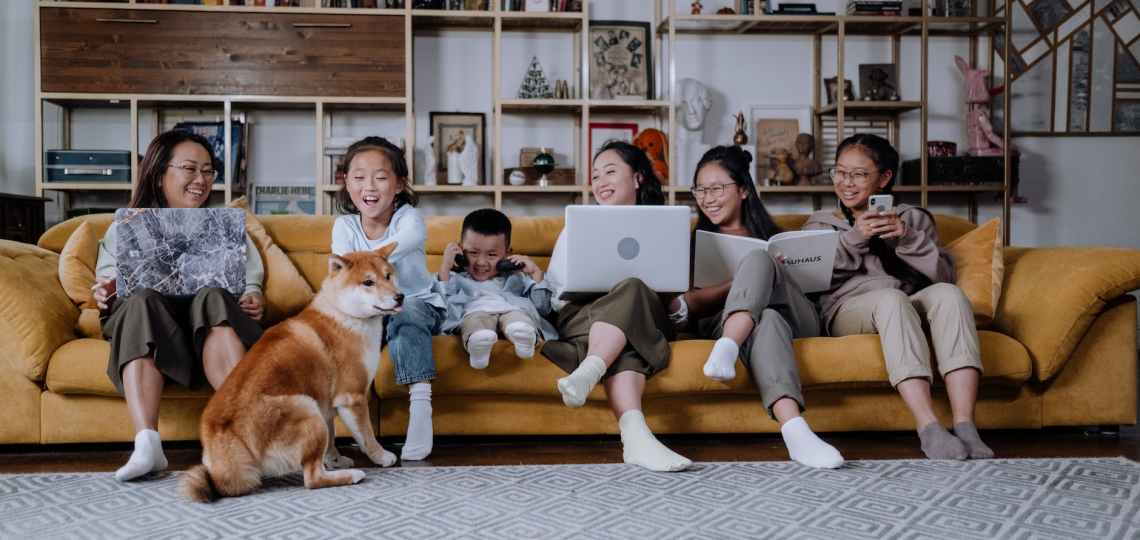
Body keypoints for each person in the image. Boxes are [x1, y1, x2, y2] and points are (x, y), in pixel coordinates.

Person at [803, 134, 993, 460]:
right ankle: (929, 426)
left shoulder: (912, 218)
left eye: (859, 174)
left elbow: (944, 276)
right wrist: (854, 238)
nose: (846, 183)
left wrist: (906, 238)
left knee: (949, 295)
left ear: (884, 178)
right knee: (890, 298)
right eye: (840, 172)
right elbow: (810, 282)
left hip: (908, 302)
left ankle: (965, 425)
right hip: (848, 310)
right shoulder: (819, 224)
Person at [93, 130, 266, 482]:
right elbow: (110, 279)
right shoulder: (126, 226)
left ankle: (245, 436)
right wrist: (108, 290)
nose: (200, 180)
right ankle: (147, 445)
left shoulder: (224, 226)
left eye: (207, 171)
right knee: (139, 300)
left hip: (211, 328)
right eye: (189, 169)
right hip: (156, 329)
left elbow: (249, 276)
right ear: (159, 174)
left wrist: (253, 294)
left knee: (214, 295)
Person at [675, 145, 843, 469]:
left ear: (742, 190)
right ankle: (796, 432)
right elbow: (686, 305)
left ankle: (729, 345)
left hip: (799, 317)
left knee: (760, 259)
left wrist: (773, 271)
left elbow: (815, 293)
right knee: (766, 318)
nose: (707, 197)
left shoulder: (776, 237)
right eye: (700, 189)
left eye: (717, 188)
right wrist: (735, 282)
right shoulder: (692, 244)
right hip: (734, 323)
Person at [541, 140, 691, 472]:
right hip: (583, 316)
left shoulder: (667, 227)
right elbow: (554, 295)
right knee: (628, 337)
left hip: (648, 316)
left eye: (610, 171)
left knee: (633, 289)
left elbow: (679, 312)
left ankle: (588, 371)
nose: (600, 181)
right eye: (595, 175)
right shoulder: (578, 225)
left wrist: (669, 300)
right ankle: (637, 440)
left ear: (638, 178)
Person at [330, 136, 441, 461]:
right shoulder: (344, 225)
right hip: (366, 312)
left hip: (415, 305)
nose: (370, 186)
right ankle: (327, 438)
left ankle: (421, 408)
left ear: (399, 184)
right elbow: (342, 277)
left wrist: (358, 265)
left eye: (380, 177)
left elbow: (404, 243)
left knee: (405, 313)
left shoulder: (408, 219)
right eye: (359, 177)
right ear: (346, 183)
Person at [437, 208, 557, 369]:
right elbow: (440, 307)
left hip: (513, 311)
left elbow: (543, 307)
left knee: (518, 318)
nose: (481, 262)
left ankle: (524, 338)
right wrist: (445, 267)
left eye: (492, 255)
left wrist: (536, 273)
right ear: (460, 250)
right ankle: (478, 345)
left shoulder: (517, 277)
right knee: (475, 320)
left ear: (508, 254)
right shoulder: (456, 279)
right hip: (475, 312)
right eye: (473, 252)